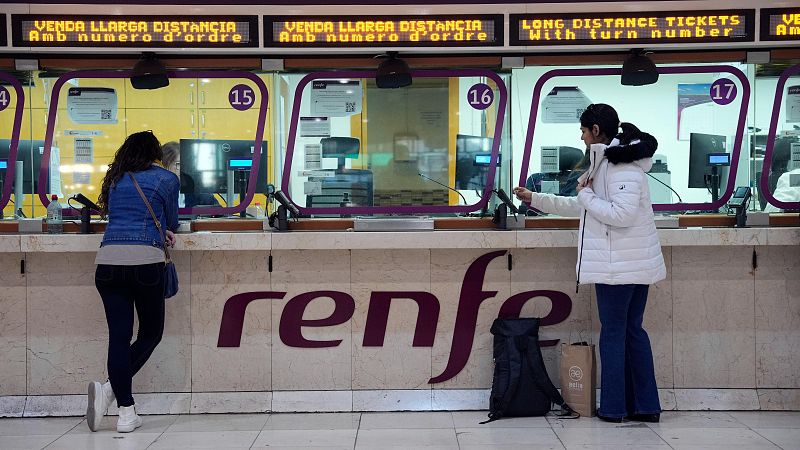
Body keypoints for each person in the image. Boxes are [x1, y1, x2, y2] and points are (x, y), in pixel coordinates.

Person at [513, 103, 666, 423]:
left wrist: (586, 196)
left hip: (619, 267)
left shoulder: (622, 167)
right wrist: (536, 199)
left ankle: (614, 408)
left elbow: (620, 214)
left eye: (583, 131)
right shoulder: (607, 162)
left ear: (596, 130)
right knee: (631, 332)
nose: (581, 137)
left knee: (615, 334)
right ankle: (644, 406)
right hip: (626, 264)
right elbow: (582, 205)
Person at [87, 131, 179, 433]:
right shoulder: (166, 179)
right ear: (155, 154)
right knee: (150, 334)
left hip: (107, 264)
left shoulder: (115, 179)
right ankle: (111, 395)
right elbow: (172, 221)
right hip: (145, 264)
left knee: (119, 337)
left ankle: (125, 409)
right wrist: (164, 230)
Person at [161, 141, 221, 209]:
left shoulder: (191, 183)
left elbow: (217, 209)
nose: (182, 169)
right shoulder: (156, 189)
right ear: (164, 165)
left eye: (183, 164)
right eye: (178, 164)